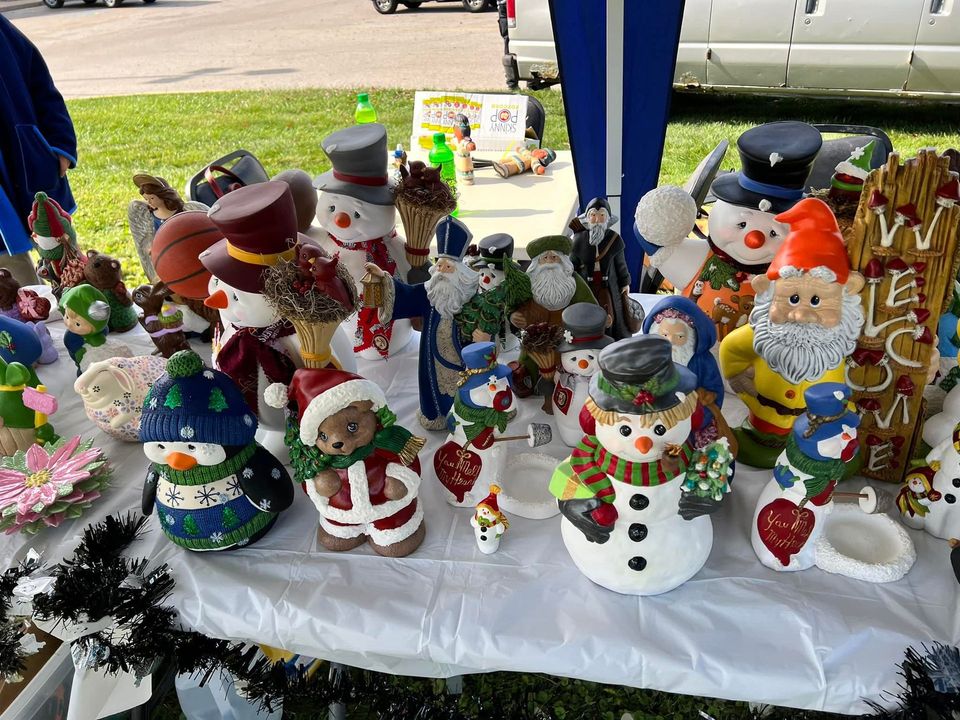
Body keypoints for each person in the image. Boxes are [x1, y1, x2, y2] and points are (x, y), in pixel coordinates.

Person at [0, 16, 77, 286]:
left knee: (64, 259)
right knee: (13, 287)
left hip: (26, 162)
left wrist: (60, 145)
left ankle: (85, 322)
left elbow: (39, 81)